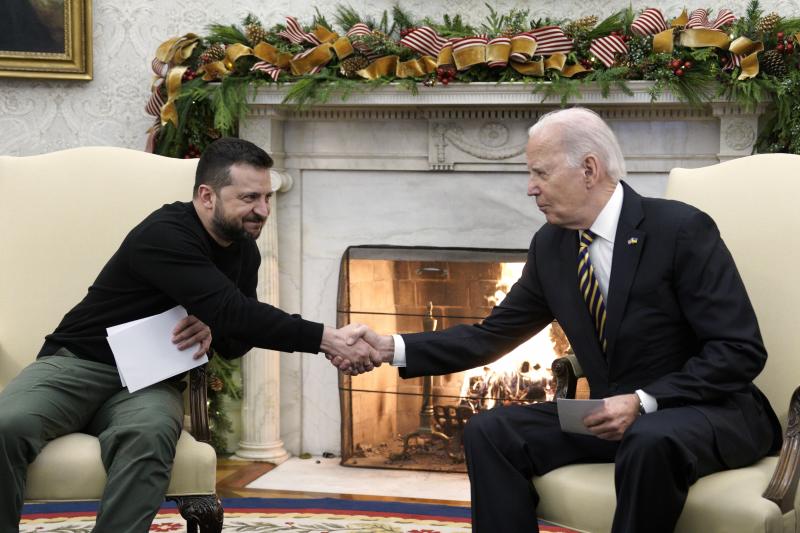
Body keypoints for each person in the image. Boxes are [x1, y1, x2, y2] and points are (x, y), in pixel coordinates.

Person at [335, 107, 782, 532]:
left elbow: (739, 350)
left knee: (649, 439)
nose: (530, 187)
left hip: (706, 412)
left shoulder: (680, 229)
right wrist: (388, 347)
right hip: (612, 415)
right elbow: (492, 335)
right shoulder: (552, 246)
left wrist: (644, 401)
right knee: (491, 431)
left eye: (540, 173)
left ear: (588, 170)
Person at [0, 137, 375, 533]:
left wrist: (215, 326)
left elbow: (234, 338)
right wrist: (326, 338)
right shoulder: (165, 233)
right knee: (7, 423)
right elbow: (234, 311)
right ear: (206, 195)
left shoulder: (244, 250)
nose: (262, 211)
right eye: (249, 197)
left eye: (267, 197)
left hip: (149, 383)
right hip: (78, 363)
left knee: (149, 438)